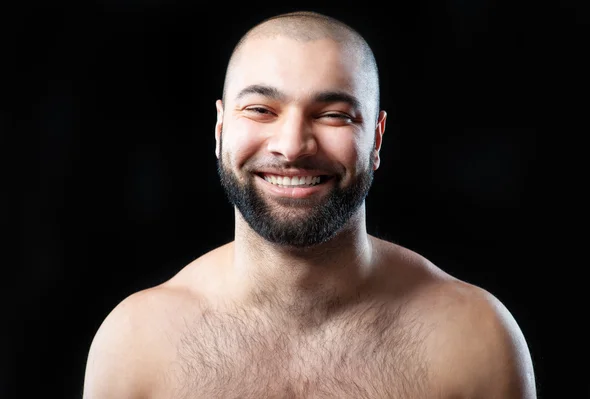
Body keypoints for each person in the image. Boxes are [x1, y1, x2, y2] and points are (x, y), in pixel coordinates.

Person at [82, 10, 537, 399]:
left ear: (376, 138)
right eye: (261, 109)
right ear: (220, 129)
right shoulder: (134, 343)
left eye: (333, 115)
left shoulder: (475, 338)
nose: (293, 146)